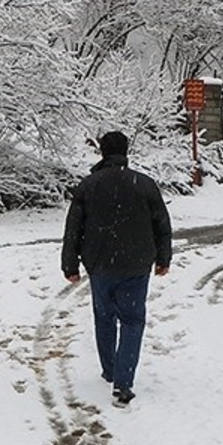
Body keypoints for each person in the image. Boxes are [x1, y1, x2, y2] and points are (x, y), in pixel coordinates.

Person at [61, 130, 172, 408]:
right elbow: (162, 224)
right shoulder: (144, 185)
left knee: (104, 317)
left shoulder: (89, 185)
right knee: (133, 321)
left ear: (101, 152)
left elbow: (73, 228)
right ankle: (123, 383)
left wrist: (70, 265)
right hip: (136, 265)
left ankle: (110, 369)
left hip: (100, 266)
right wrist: (163, 258)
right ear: (126, 151)